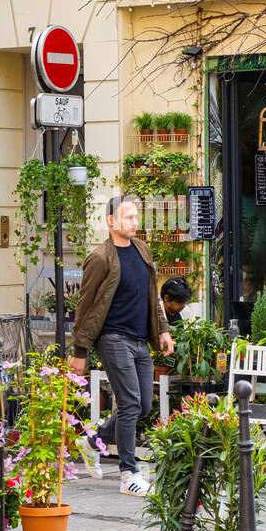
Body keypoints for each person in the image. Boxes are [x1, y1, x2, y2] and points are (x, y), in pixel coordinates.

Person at [70, 195, 174, 497]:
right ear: (111, 221)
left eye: (136, 216)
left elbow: (152, 296)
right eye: (128, 217)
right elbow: (85, 306)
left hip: (140, 341)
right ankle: (129, 473)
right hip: (113, 338)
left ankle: (92, 442)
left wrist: (163, 331)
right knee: (129, 405)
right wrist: (80, 351)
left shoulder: (142, 250)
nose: (135, 222)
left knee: (141, 404)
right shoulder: (100, 258)